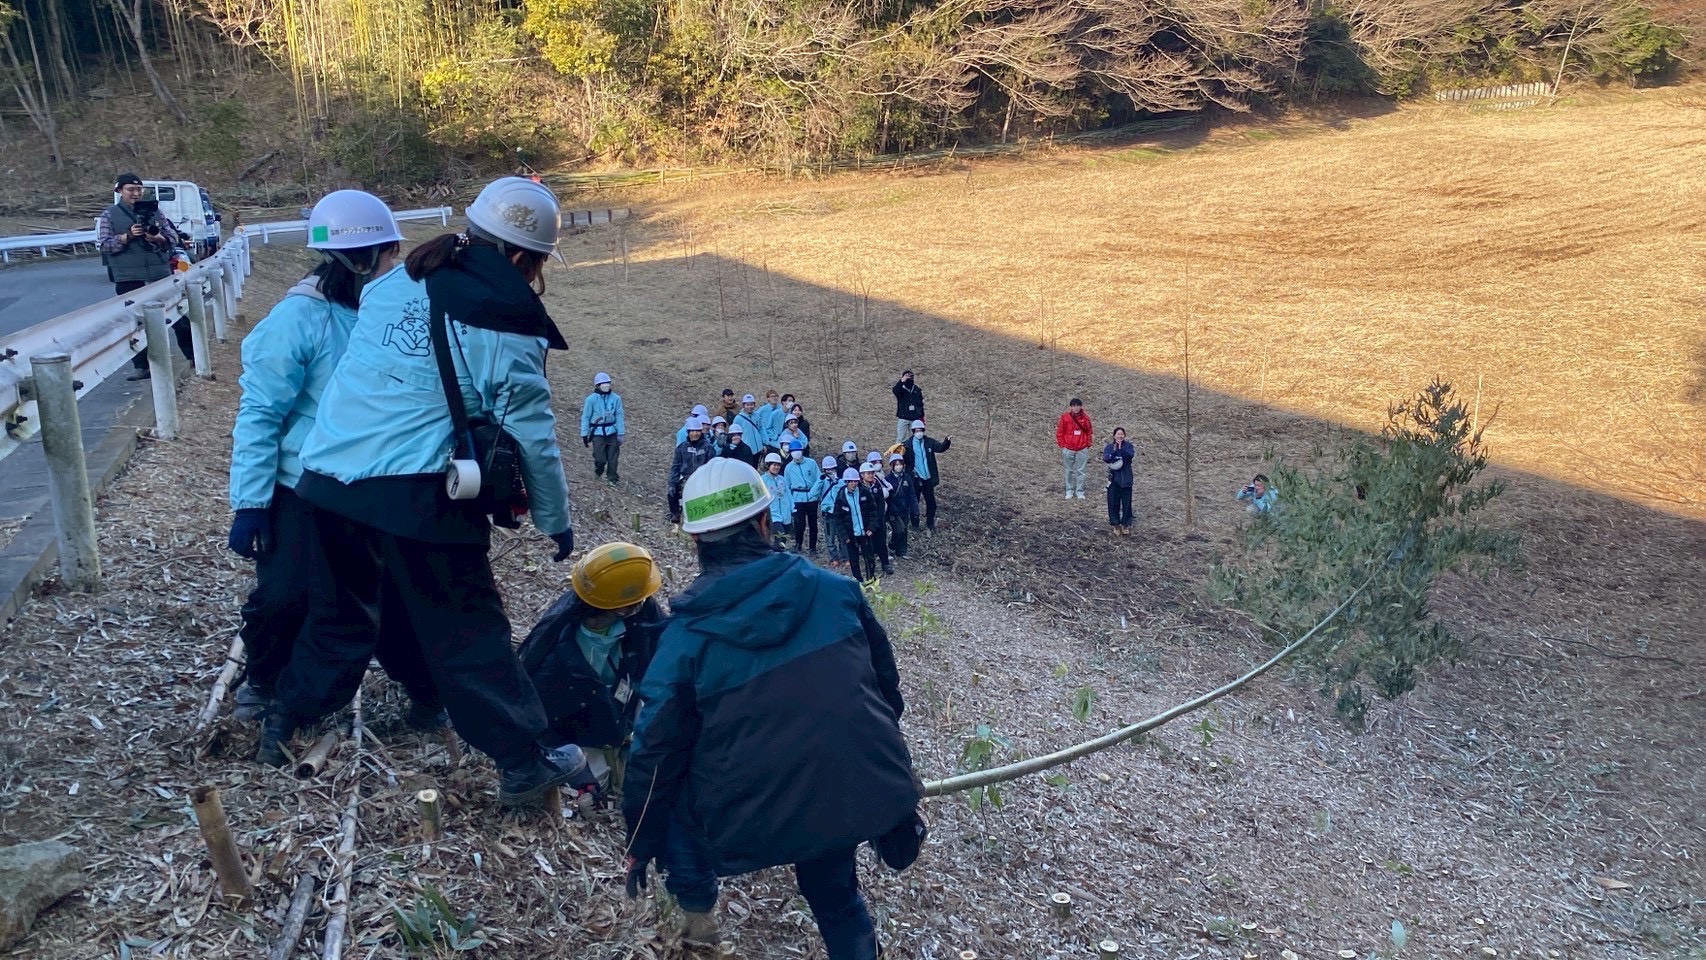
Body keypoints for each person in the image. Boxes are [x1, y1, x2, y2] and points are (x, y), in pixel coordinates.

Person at [263, 177, 581, 808]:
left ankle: (284, 723)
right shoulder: (501, 316)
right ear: (524, 257)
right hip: (414, 491)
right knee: (468, 629)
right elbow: (531, 429)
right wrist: (554, 518)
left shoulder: (397, 279)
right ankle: (524, 762)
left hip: (324, 481)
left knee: (339, 615)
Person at [623, 459, 920, 958]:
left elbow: (653, 751)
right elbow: (887, 695)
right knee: (836, 897)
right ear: (765, 521)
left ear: (695, 540)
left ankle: (696, 913)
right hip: (844, 791)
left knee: (665, 797)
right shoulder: (838, 592)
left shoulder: (683, 640)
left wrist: (639, 839)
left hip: (743, 815)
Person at [226, 191, 438, 723]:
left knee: (396, 597)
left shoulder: (397, 310)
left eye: (388, 254)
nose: (387, 265)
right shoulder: (300, 319)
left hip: (376, 480)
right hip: (301, 483)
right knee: (285, 594)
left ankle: (427, 693)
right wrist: (251, 503)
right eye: (375, 257)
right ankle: (265, 682)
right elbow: (261, 413)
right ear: (351, 258)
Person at [518, 541, 665, 794]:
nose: (643, 603)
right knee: (595, 785)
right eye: (637, 602)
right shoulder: (554, 659)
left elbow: (665, 654)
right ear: (620, 606)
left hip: (626, 707)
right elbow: (538, 720)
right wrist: (577, 773)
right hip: (577, 730)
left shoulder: (641, 613)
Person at [100, 173, 189, 380]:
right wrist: (127, 236)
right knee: (134, 324)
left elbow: (173, 237)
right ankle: (142, 367)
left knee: (178, 314)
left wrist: (158, 238)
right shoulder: (109, 215)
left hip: (159, 273)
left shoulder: (155, 212)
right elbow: (105, 245)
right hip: (128, 276)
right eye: (130, 189)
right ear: (119, 191)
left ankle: (194, 356)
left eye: (139, 189)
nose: (136, 193)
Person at [902, 420, 951, 533]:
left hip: (927, 479)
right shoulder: (907, 445)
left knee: (931, 503)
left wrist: (946, 442)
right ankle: (915, 524)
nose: (919, 433)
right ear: (913, 431)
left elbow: (940, 448)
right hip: (915, 479)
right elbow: (903, 460)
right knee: (914, 503)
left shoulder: (929, 442)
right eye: (917, 431)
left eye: (921, 430)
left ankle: (930, 523)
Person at [668, 417, 717, 527]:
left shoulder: (708, 448)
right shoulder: (682, 448)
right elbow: (675, 467)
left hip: (702, 479)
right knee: (672, 492)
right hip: (685, 478)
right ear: (688, 432)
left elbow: (712, 466)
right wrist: (672, 483)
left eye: (697, 431)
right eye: (692, 431)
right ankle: (676, 514)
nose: (695, 434)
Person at [580, 372, 626, 484]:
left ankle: (612, 479)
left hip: (612, 432)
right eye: (603, 384)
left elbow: (619, 415)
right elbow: (586, 417)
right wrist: (584, 434)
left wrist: (620, 433)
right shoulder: (591, 400)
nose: (606, 386)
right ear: (597, 385)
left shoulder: (616, 399)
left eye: (607, 383)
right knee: (600, 459)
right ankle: (598, 470)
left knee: (613, 459)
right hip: (598, 433)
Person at [784, 442, 824, 554]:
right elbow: (787, 486)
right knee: (799, 524)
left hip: (812, 497)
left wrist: (815, 493)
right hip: (797, 498)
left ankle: (813, 547)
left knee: (813, 524)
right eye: (793, 451)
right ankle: (798, 543)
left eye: (798, 450)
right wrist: (790, 501)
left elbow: (819, 478)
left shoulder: (811, 463)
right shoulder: (788, 467)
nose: (796, 453)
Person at [859, 462, 894, 576]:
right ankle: (870, 568)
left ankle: (885, 564)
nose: (871, 475)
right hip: (866, 522)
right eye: (868, 473)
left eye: (872, 473)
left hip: (878, 520)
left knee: (882, 543)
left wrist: (879, 518)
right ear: (862, 475)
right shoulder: (859, 488)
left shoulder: (876, 485)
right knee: (868, 545)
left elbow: (881, 503)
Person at [1056, 398, 1094, 500]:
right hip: (1068, 448)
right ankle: (1069, 491)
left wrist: (1087, 444)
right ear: (1071, 407)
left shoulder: (1086, 418)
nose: (1076, 408)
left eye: (1077, 406)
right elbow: (1060, 431)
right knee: (1069, 471)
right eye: (1073, 406)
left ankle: (1080, 491)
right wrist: (1062, 445)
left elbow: (1089, 432)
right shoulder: (1065, 417)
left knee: (1081, 471)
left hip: (1082, 448)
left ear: (1081, 406)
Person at [1102, 427, 1136, 535]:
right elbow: (1106, 458)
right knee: (1113, 502)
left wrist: (1121, 449)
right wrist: (1114, 451)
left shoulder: (1128, 446)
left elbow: (1130, 456)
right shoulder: (1109, 447)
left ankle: (1126, 524)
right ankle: (1115, 524)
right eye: (1118, 434)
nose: (1120, 436)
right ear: (1114, 436)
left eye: (1122, 434)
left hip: (1126, 478)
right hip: (1114, 479)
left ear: (1124, 436)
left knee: (1126, 503)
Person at [885, 454, 918, 559]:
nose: (899, 467)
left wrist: (915, 509)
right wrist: (891, 509)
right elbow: (887, 497)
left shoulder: (907, 478)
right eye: (896, 464)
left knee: (904, 531)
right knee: (899, 530)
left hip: (905, 509)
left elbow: (912, 494)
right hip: (893, 511)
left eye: (900, 464)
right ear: (892, 466)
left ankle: (902, 551)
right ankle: (892, 546)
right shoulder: (887, 479)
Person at [762, 453, 795, 547]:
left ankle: (778, 552)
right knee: (780, 536)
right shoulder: (763, 480)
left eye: (778, 465)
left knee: (784, 539)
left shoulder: (782, 479)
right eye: (774, 465)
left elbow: (788, 494)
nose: (777, 467)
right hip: (773, 514)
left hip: (785, 514)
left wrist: (793, 509)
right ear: (768, 465)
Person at [818, 456, 846, 566]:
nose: (830, 472)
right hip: (828, 514)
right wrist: (820, 481)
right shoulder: (822, 482)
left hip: (839, 513)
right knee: (830, 537)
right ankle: (834, 557)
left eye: (832, 469)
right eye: (828, 470)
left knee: (842, 536)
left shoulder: (842, 482)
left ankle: (845, 557)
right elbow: (813, 494)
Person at [892, 371, 924, 445]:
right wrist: (901, 381)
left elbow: (920, 404)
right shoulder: (901, 388)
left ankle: (913, 450)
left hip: (914, 417)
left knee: (915, 437)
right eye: (907, 375)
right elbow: (896, 391)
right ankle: (898, 451)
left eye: (911, 376)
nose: (909, 377)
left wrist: (921, 416)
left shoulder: (916, 389)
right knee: (900, 438)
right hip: (903, 417)